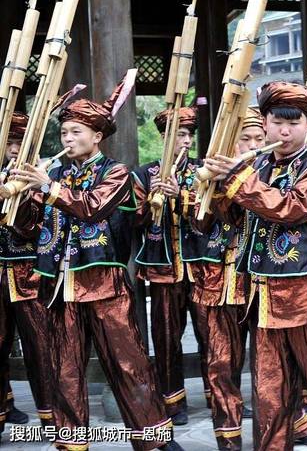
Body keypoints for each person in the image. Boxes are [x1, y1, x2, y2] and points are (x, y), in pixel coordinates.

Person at [10, 75, 180, 450]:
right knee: (66, 369)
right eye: (64, 132)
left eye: (75, 132)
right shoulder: (56, 174)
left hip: (105, 285)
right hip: (61, 287)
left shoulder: (115, 172)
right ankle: (71, 443)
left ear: (96, 136)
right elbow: (28, 229)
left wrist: (46, 188)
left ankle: (154, 439)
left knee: (128, 365)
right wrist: (20, 197)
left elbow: (91, 209)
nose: (67, 139)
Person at [203, 81, 307, 450]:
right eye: (276, 122)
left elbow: (290, 209)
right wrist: (217, 187)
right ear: (264, 123)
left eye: (294, 122)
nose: (284, 131)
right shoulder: (257, 164)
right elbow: (235, 220)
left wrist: (236, 180)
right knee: (270, 392)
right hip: (263, 296)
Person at [132, 106, 210, 426]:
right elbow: (130, 220)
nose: (185, 141)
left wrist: (183, 196)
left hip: (202, 268)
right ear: (164, 138)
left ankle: (219, 396)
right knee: (165, 337)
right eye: (178, 135)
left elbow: (211, 218)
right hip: (163, 269)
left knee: (212, 335)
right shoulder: (142, 173)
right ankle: (172, 401)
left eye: (188, 135)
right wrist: (150, 196)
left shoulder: (202, 171)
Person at [0, 113, 51, 431]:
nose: (15, 149)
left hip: (29, 273)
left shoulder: (41, 176)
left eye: (20, 142)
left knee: (41, 346)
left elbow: (35, 228)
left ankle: (51, 413)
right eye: (10, 142)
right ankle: (4, 408)